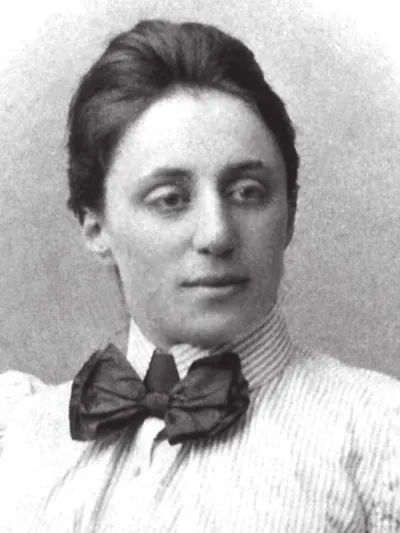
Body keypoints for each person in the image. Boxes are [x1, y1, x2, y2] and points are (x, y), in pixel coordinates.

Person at [0, 18, 399, 533]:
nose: (217, 234)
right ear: (96, 227)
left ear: (290, 214)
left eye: (247, 192)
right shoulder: (21, 441)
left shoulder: (379, 437)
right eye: (170, 199)